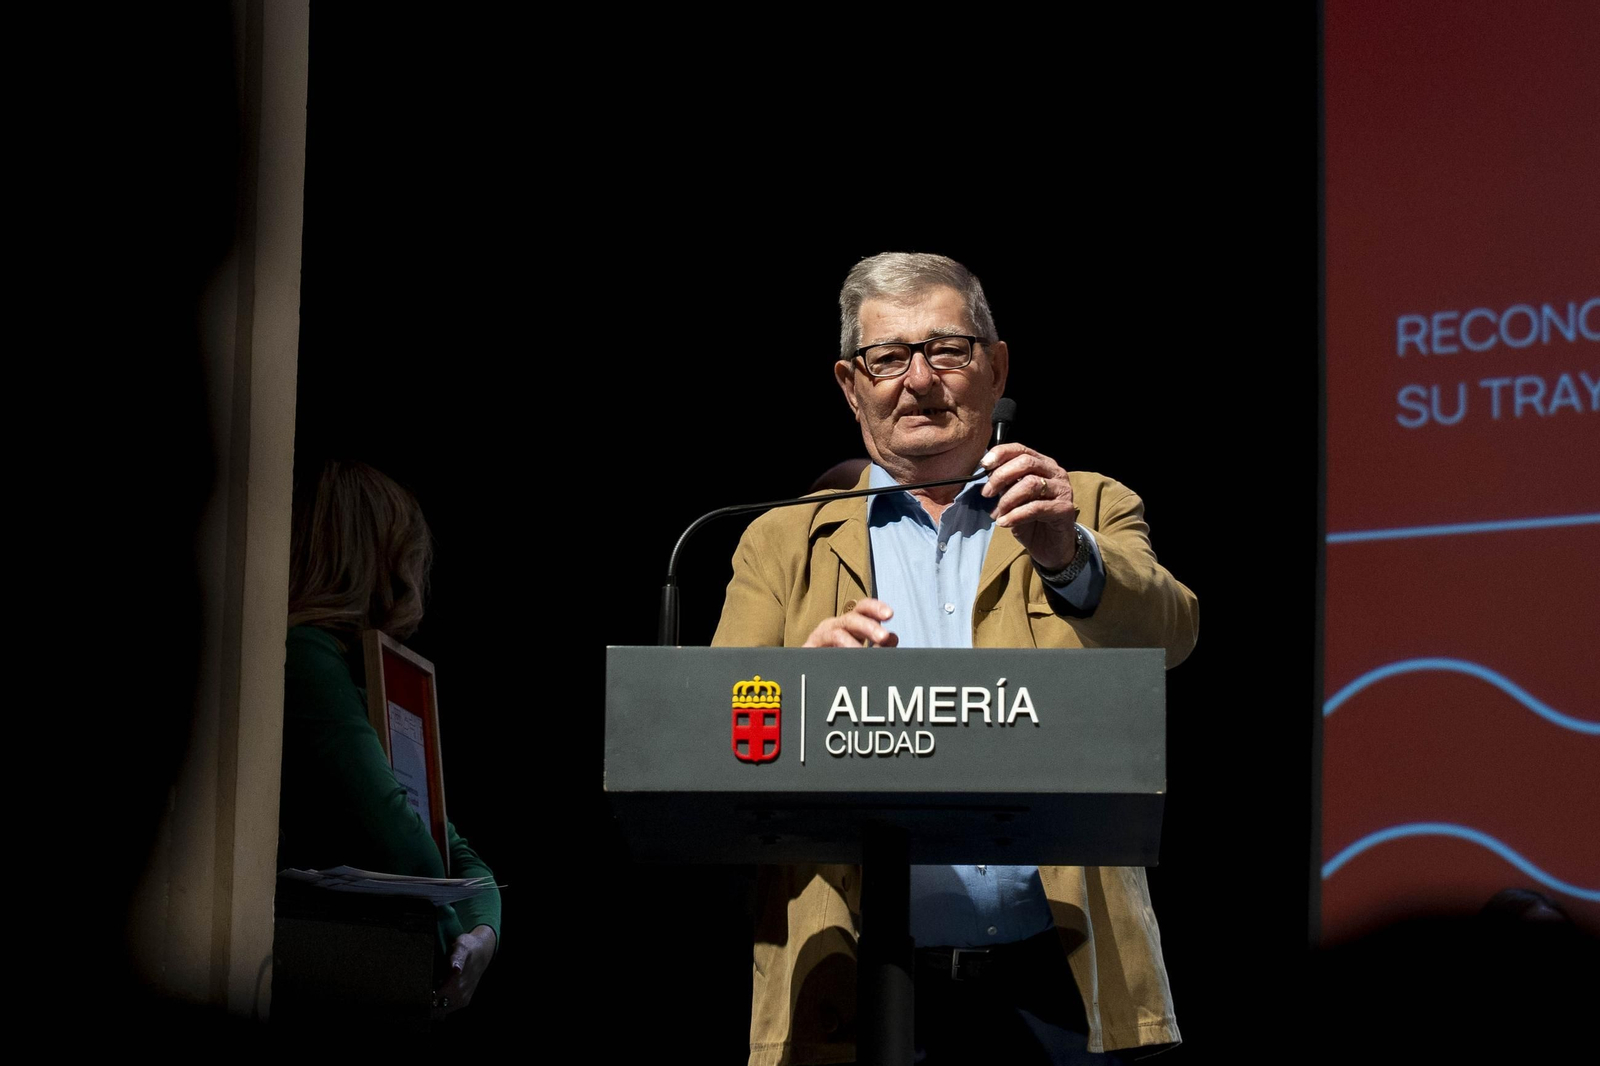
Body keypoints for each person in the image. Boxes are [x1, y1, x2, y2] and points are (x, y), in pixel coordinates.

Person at [713, 253, 1198, 1064]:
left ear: (996, 367)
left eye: (947, 350)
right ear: (851, 385)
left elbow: (1172, 635)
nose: (919, 380)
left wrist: (1069, 554)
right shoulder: (781, 541)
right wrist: (795, 686)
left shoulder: (1079, 503)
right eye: (887, 357)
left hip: (1063, 975)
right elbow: (712, 734)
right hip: (856, 983)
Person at [280, 459, 500, 1016]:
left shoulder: (358, 676)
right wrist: (457, 928)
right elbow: (409, 848)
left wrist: (482, 938)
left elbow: (455, 853)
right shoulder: (306, 658)